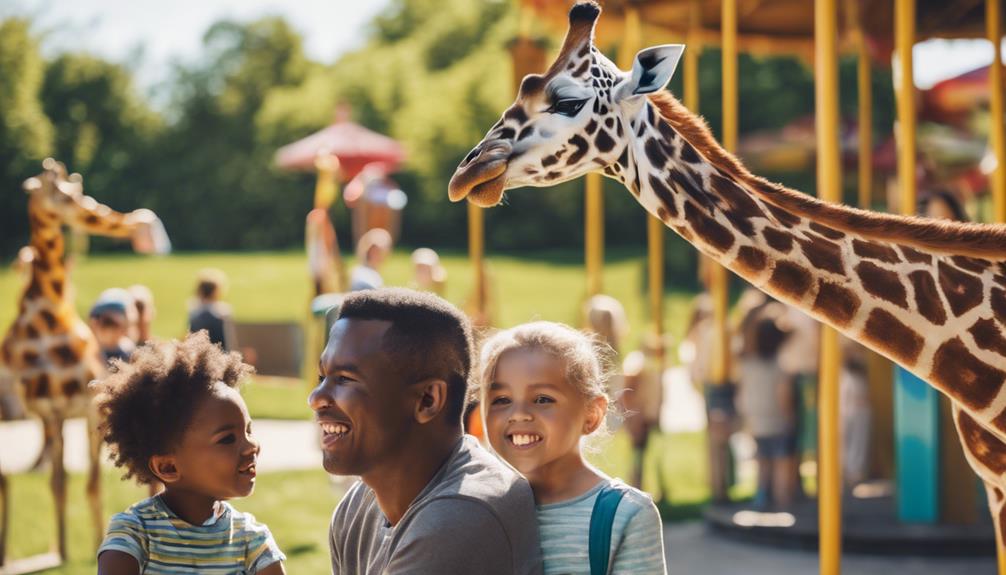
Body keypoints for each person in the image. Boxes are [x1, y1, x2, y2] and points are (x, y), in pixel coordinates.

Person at [311, 288, 541, 575]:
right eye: (323, 377)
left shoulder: (461, 515)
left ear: (428, 400)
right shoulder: (358, 506)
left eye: (345, 379)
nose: (316, 398)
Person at [479, 321, 666, 575]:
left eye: (542, 399)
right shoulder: (475, 508)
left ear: (592, 414)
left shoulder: (624, 514)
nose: (519, 414)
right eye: (501, 400)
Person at [93, 332, 285, 574]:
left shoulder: (252, 542)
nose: (251, 446)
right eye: (227, 438)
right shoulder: (135, 535)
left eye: (248, 430)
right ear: (168, 467)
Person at [736, 316, 798, 509]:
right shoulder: (780, 368)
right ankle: (783, 501)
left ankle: (761, 496)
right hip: (777, 420)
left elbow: (741, 393)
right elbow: (783, 396)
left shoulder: (747, 365)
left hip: (756, 421)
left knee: (762, 462)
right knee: (781, 462)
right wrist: (790, 417)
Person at [188, 268, 238, 351]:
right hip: (222, 354)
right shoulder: (224, 311)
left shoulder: (194, 311)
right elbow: (232, 339)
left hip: (199, 353)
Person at [89, 288, 137, 365]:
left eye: (114, 324)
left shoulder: (128, 351)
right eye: (105, 323)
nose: (109, 331)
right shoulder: (90, 351)